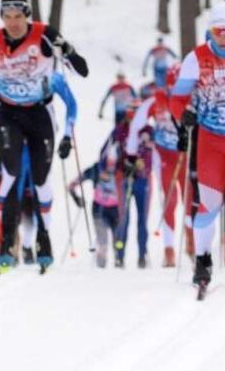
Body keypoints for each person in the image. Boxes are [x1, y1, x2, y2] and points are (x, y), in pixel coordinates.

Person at [0, 0, 89, 274]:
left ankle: (44, 239)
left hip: (40, 114)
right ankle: (8, 243)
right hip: (9, 114)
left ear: (27, 15)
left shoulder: (44, 34)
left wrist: (68, 51)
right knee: (10, 173)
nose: (13, 22)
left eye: (18, 16)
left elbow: (81, 72)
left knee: (41, 178)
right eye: (7, 16)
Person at [170, 2, 225, 294]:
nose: (223, 38)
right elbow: (177, 99)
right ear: (210, 31)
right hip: (210, 139)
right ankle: (203, 260)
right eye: (219, 32)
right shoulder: (196, 58)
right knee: (209, 203)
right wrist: (185, 115)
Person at [126, 63, 190, 267]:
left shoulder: (192, 98)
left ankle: (192, 241)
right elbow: (136, 125)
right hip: (163, 156)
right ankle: (169, 249)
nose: (175, 90)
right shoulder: (156, 100)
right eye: (172, 86)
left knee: (190, 199)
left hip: (186, 155)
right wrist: (131, 153)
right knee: (170, 199)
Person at [113, 102, 154, 269]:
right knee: (124, 219)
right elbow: (109, 151)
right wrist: (121, 164)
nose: (133, 116)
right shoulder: (120, 129)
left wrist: (141, 162)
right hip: (126, 179)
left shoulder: (148, 130)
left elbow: (152, 152)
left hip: (143, 180)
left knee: (142, 220)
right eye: (131, 112)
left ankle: (142, 255)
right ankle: (119, 255)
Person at [69, 144, 120, 268]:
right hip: (99, 210)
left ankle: (119, 264)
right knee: (102, 241)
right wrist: (77, 198)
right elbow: (72, 184)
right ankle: (100, 268)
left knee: (118, 241)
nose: (109, 168)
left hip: (117, 210)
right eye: (107, 163)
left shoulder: (121, 169)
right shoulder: (96, 169)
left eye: (113, 163)